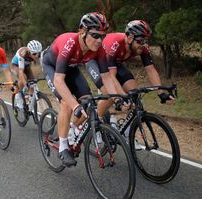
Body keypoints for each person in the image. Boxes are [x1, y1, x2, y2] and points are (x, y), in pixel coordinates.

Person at [41, 12, 122, 167]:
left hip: (72, 69)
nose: (99, 40)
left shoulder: (99, 48)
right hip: (52, 68)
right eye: (95, 35)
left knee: (87, 101)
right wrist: (74, 105)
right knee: (67, 104)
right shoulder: (69, 43)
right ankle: (63, 147)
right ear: (82, 32)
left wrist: (116, 97)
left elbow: (106, 77)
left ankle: (72, 128)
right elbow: (58, 80)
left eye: (102, 36)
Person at [97, 20, 175, 121]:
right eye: (140, 41)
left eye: (146, 40)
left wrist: (161, 93)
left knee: (135, 96)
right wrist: (122, 96)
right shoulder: (115, 44)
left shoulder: (143, 47)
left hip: (116, 64)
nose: (144, 44)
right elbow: (111, 76)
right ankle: (95, 122)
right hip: (98, 62)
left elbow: (150, 69)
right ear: (129, 39)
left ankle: (127, 132)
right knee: (111, 95)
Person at [11, 40, 42, 108]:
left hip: (27, 66)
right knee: (23, 77)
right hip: (16, 66)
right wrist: (26, 85)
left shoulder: (38, 55)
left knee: (33, 82)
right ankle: (18, 95)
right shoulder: (23, 54)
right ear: (29, 52)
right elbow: (21, 71)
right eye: (34, 54)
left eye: (39, 54)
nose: (37, 56)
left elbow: (44, 67)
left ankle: (30, 101)